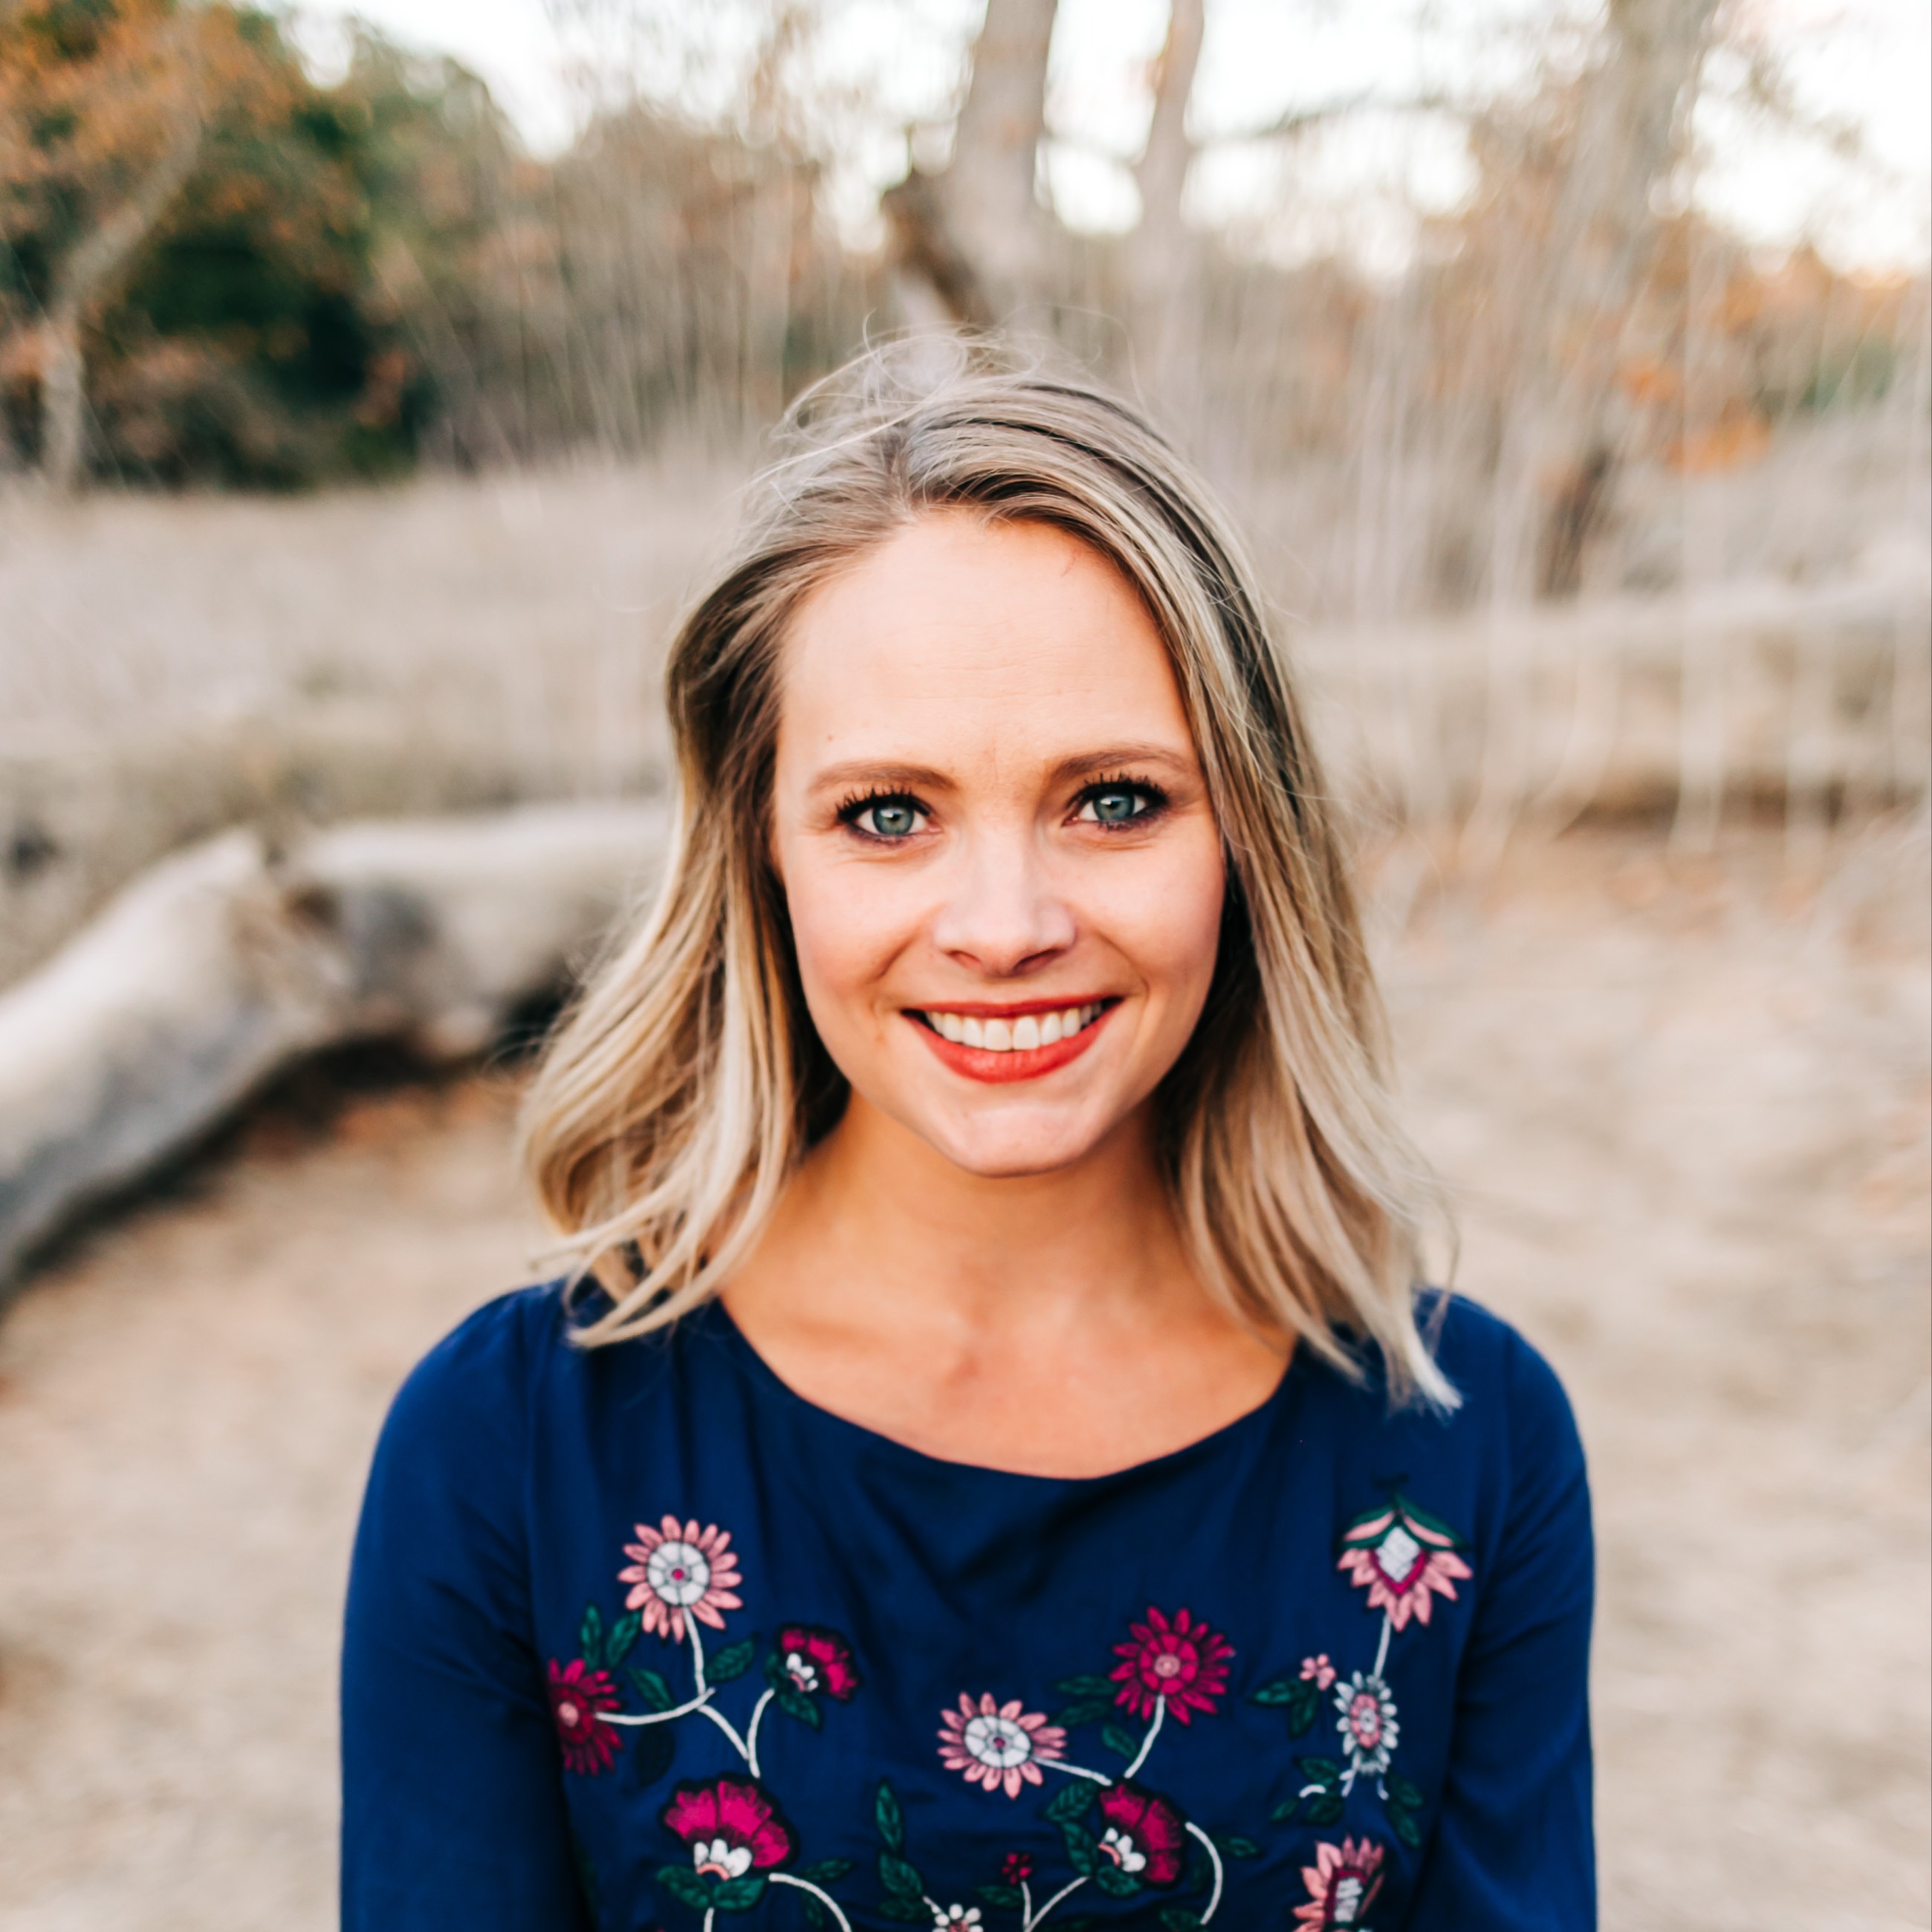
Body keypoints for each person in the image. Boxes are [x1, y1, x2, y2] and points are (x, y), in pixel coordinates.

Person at [340, 340, 1593, 1931]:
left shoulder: (1462, 1448)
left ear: (1249, 839)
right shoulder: (516, 1447)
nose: (1004, 926)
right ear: (763, 851)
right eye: (887, 813)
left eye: (1115, 799)